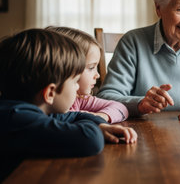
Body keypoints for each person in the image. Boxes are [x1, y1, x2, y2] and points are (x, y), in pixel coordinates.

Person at [0, 29, 137, 181]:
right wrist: (93, 127)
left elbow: (73, 115)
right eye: (74, 82)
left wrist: (101, 125)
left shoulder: (26, 109)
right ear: (50, 93)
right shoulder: (18, 119)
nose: (77, 88)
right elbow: (90, 140)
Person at [46, 26, 129, 123]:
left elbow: (121, 108)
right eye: (91, 68)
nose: (97, 75)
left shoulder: (79, 98)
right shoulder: (47, 107)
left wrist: (100, 116)